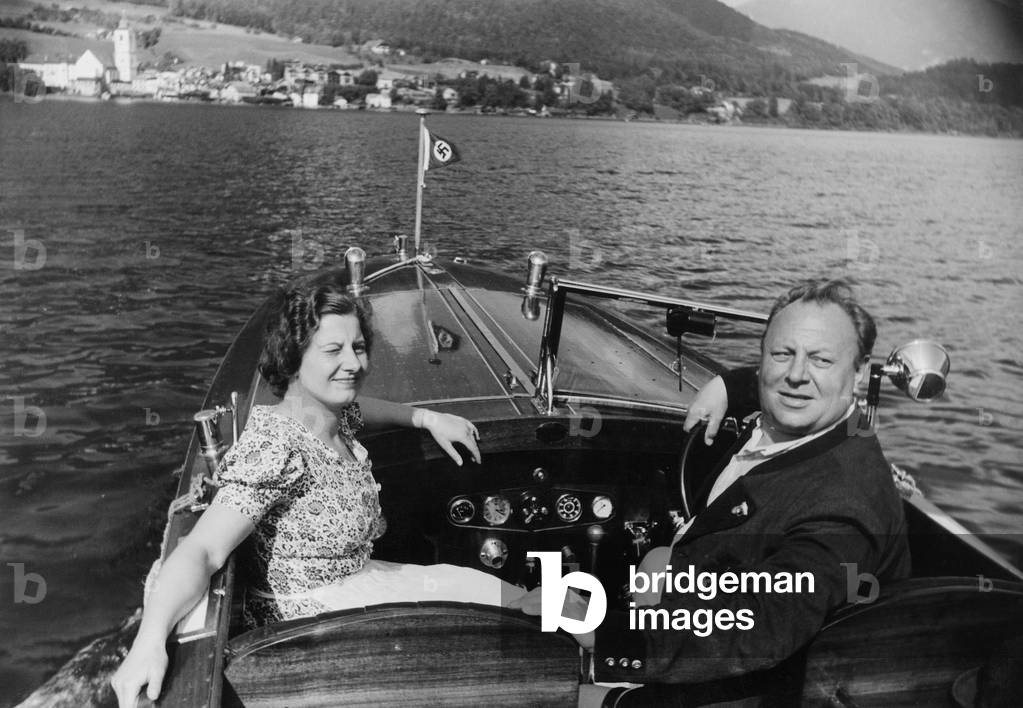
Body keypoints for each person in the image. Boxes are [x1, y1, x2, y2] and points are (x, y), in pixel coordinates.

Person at [111, 282, 521, 708]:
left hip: (361, 585)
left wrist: (426, 418)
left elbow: (366, 409)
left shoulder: (326, 413)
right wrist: (150, 638)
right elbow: (204, 550)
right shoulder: (277, 444)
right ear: (292, 358)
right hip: (315, 634)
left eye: (359, 347)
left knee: (512, 601)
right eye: (332, 351)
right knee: (512, 622)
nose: (353, 363)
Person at [512, 279, 911, 706]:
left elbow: (762, 628)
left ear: (861, 373)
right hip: (697, 625)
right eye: (782, 353)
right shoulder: (822, 423)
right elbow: (788, 379)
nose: (796, 374)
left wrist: (607, 635)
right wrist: (728, 386)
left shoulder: (844, 504)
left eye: (821, 359)